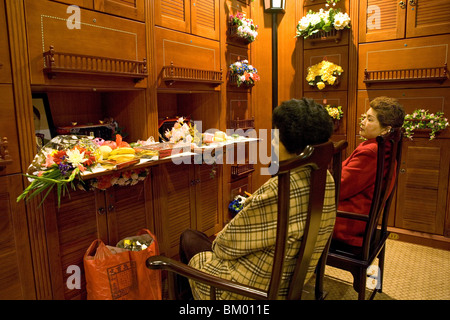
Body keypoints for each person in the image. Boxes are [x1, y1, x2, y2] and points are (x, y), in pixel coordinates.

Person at [178, 98, 336, 300]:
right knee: (199, 238)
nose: (270, 141)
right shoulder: (325, 178)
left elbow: (224, 246)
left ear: (293, 144)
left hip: (252, 290)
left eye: (276, 136)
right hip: (292, 277)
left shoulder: (281, 189)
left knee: (189, 238)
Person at [333, 96, 405, 247]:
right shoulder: (383, 146)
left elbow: (338, 189)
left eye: (370, 119)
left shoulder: (372, 151)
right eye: (365, 117)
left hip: (348, 223)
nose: (363, 122)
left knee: (295, 214)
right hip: (361, 217)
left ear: (386, 129)